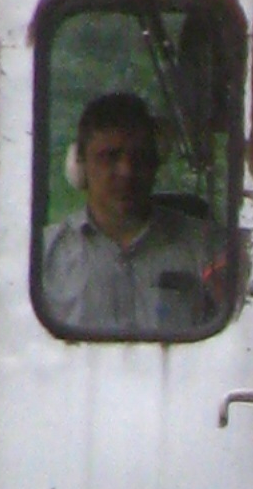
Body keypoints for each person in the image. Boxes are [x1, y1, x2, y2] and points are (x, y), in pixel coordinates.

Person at [40, 90, 231, 337]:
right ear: (79, 165)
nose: (126, 171)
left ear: (155, 163)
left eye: (140, 158)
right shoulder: (45, 254)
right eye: (110, 157)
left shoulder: (208, 248)